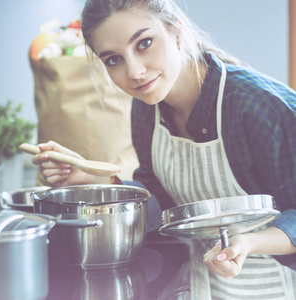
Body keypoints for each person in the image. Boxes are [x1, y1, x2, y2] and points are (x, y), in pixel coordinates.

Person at [32, 0, 296, 298]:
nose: (134, 71)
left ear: (177, 30)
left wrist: (249, 242)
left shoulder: (260, 108)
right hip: (200, 285)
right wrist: (103, 183)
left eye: (144, 43)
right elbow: (167, 203)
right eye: (113, 60)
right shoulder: (147, 110)